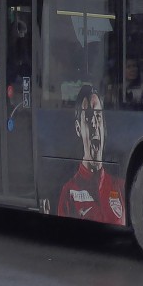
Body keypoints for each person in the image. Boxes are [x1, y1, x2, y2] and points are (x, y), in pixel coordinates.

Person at [55, 85, 125, 224]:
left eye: (98, 116)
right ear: (78, 128)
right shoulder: (69, 191)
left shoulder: (120, 186)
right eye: (87, 116)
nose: (94, 123)